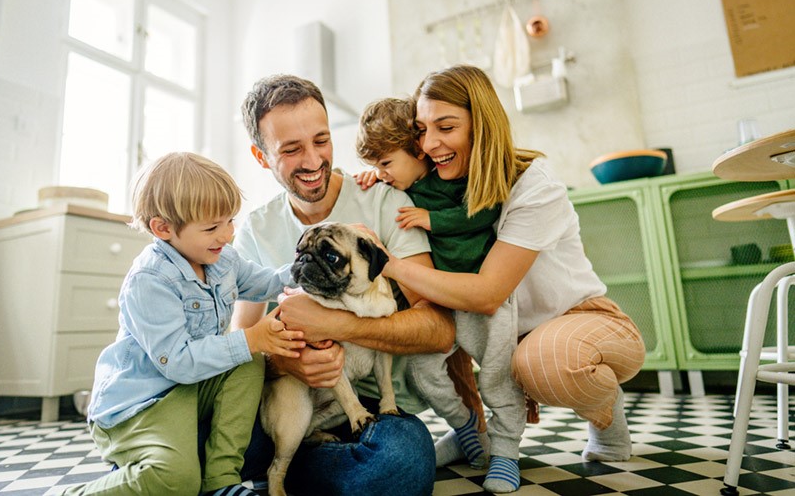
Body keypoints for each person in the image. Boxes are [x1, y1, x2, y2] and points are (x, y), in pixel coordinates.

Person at [373, 65, 647, 494]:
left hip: (580, 321)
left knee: (543, 362)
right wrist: (378, 174)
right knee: (436, 345)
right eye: (422, 131)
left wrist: (386, 263)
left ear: (481, 126)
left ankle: (605, 411)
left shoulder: (534, 187)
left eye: (446, 127)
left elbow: (486, 293)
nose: (430, 144)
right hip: (496, 324)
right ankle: (473, 434)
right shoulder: (440, 183)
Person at [233, 74, 483, 496]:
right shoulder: (255, 230)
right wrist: (287, 363)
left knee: (401, 466)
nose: (313, 160)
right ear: (261, 156)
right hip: (292, 398)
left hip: (377, 407)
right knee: (193, 433)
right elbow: (241, 342)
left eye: (322, 140)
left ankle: (288, 466)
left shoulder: (387, 202)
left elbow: (439, 329)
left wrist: (338, 326)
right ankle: (307, 462)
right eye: (291, 149)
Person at [63, 152, 305, 496]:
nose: (226, 234)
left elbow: (266, 282)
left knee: (247, 361)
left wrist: (308, 267)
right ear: (163, 229)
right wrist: (252, 338)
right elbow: (177, 362)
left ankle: (221, 481)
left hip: (187, 387)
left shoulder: (221, 258)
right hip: (141, 403)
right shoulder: (150, 279)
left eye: (229, 220)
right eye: (211, 227)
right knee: (177, 480)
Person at [354, 96, 502, 470]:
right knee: (440, 371)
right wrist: (376, 174)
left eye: (386, 163)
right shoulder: (399, 186)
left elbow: (483, 208)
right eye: (376, 165)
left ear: (417, 150)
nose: (382, 172)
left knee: (487, 372)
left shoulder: (446, 181)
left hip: (472, 290)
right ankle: (467, 429)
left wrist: (432, 219)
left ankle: (500, 446)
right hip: (438, 297)